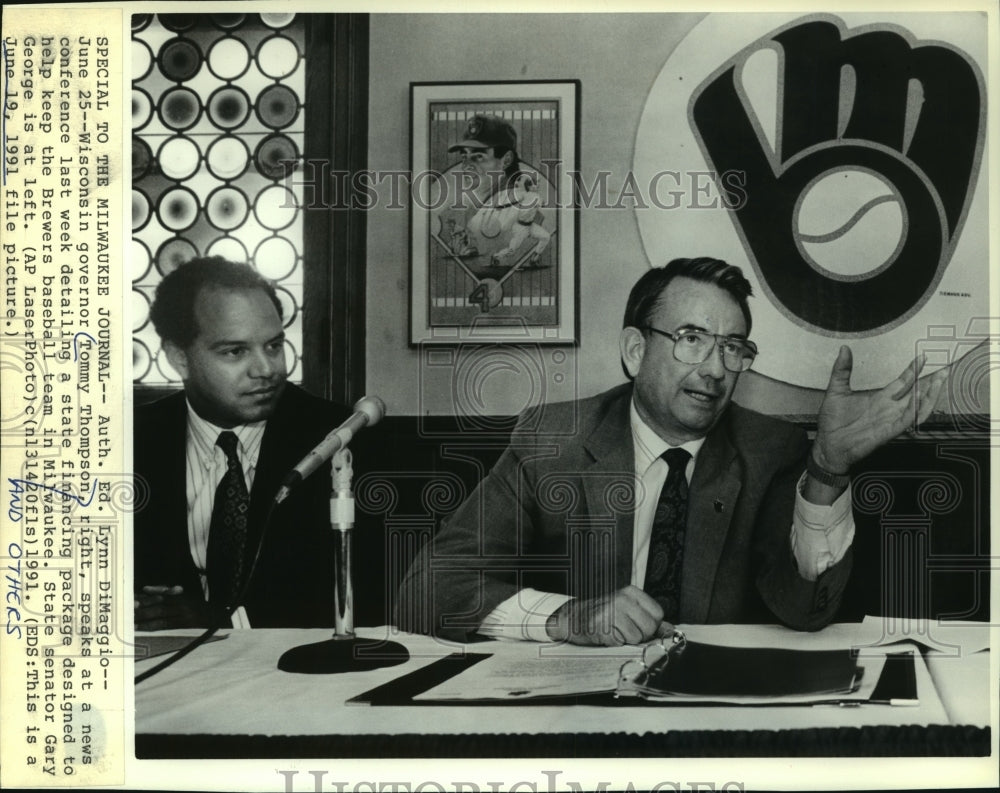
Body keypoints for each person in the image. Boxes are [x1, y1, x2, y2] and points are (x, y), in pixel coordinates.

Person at [395, 257, 947, 645]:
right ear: (636, 350)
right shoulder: (552, 438)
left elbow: (807, 610)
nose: (715, 369)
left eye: (733, 348)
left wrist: (827, 469)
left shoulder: (770, 450)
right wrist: (567, 617)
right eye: (692, 339)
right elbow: (426, 590)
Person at [133, 257, 349, 631]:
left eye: (274, 346)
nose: (266, 370)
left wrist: (223, 621)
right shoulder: (129, 440)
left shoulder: (337, 439)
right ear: (179, 358)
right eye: (235, 351)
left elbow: (369, 595)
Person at [433, 114, 551, 270]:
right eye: (464, 156)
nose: (466, 166)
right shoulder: (463, 210)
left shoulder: (521, 205)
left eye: (478, 156)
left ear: (506, 160)